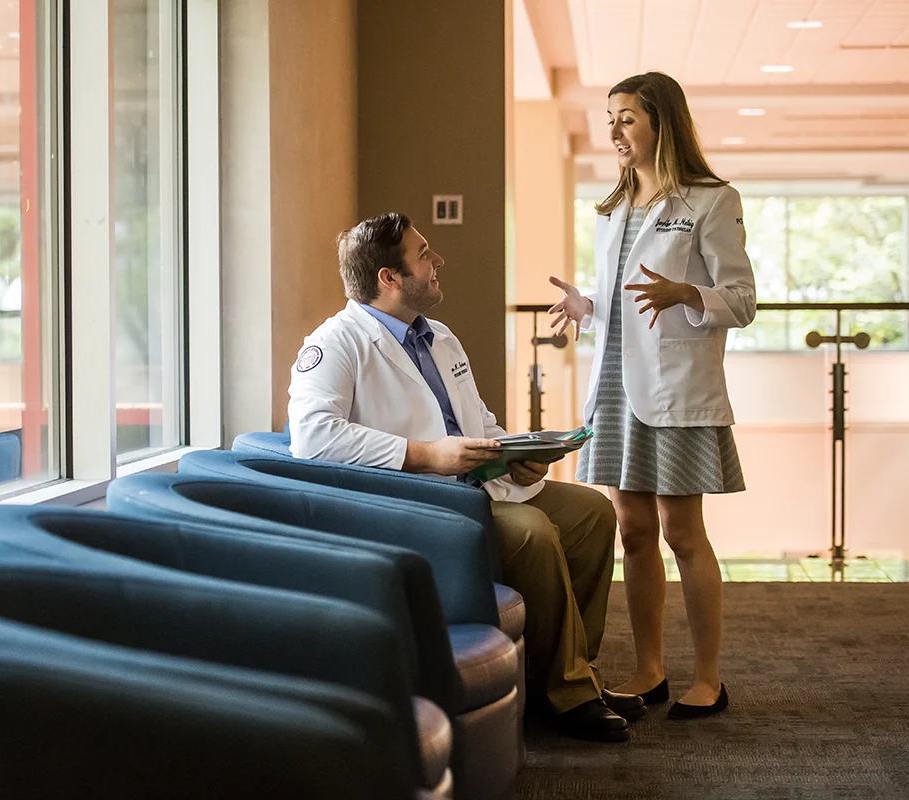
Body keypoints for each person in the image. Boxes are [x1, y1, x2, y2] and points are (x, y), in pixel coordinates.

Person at [288, 213, 643, 742]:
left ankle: (576, 675)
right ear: (390, 277)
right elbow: (313, 436)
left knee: (591, 514)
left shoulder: (440, 338)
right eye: (424, 253)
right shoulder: (336, 343)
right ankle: (568, 696)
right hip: (422, 503)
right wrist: (426, 456)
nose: (438, 262)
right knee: (531, 531)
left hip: (480, 485)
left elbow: (478, 424)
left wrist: (522, 455)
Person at [548, 71, 756, 719]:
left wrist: (688, 294)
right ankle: (648, 670)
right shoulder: (612, 209)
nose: (613, 130)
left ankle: (710, 679)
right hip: (613, 387)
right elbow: (622, 299)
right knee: (633, 531)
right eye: (609, 117)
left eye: (628, 118)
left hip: (674, 389)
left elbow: (742, 302)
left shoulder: (710, 201)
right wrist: (586, 303)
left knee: (682, 534)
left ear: (662, 124)